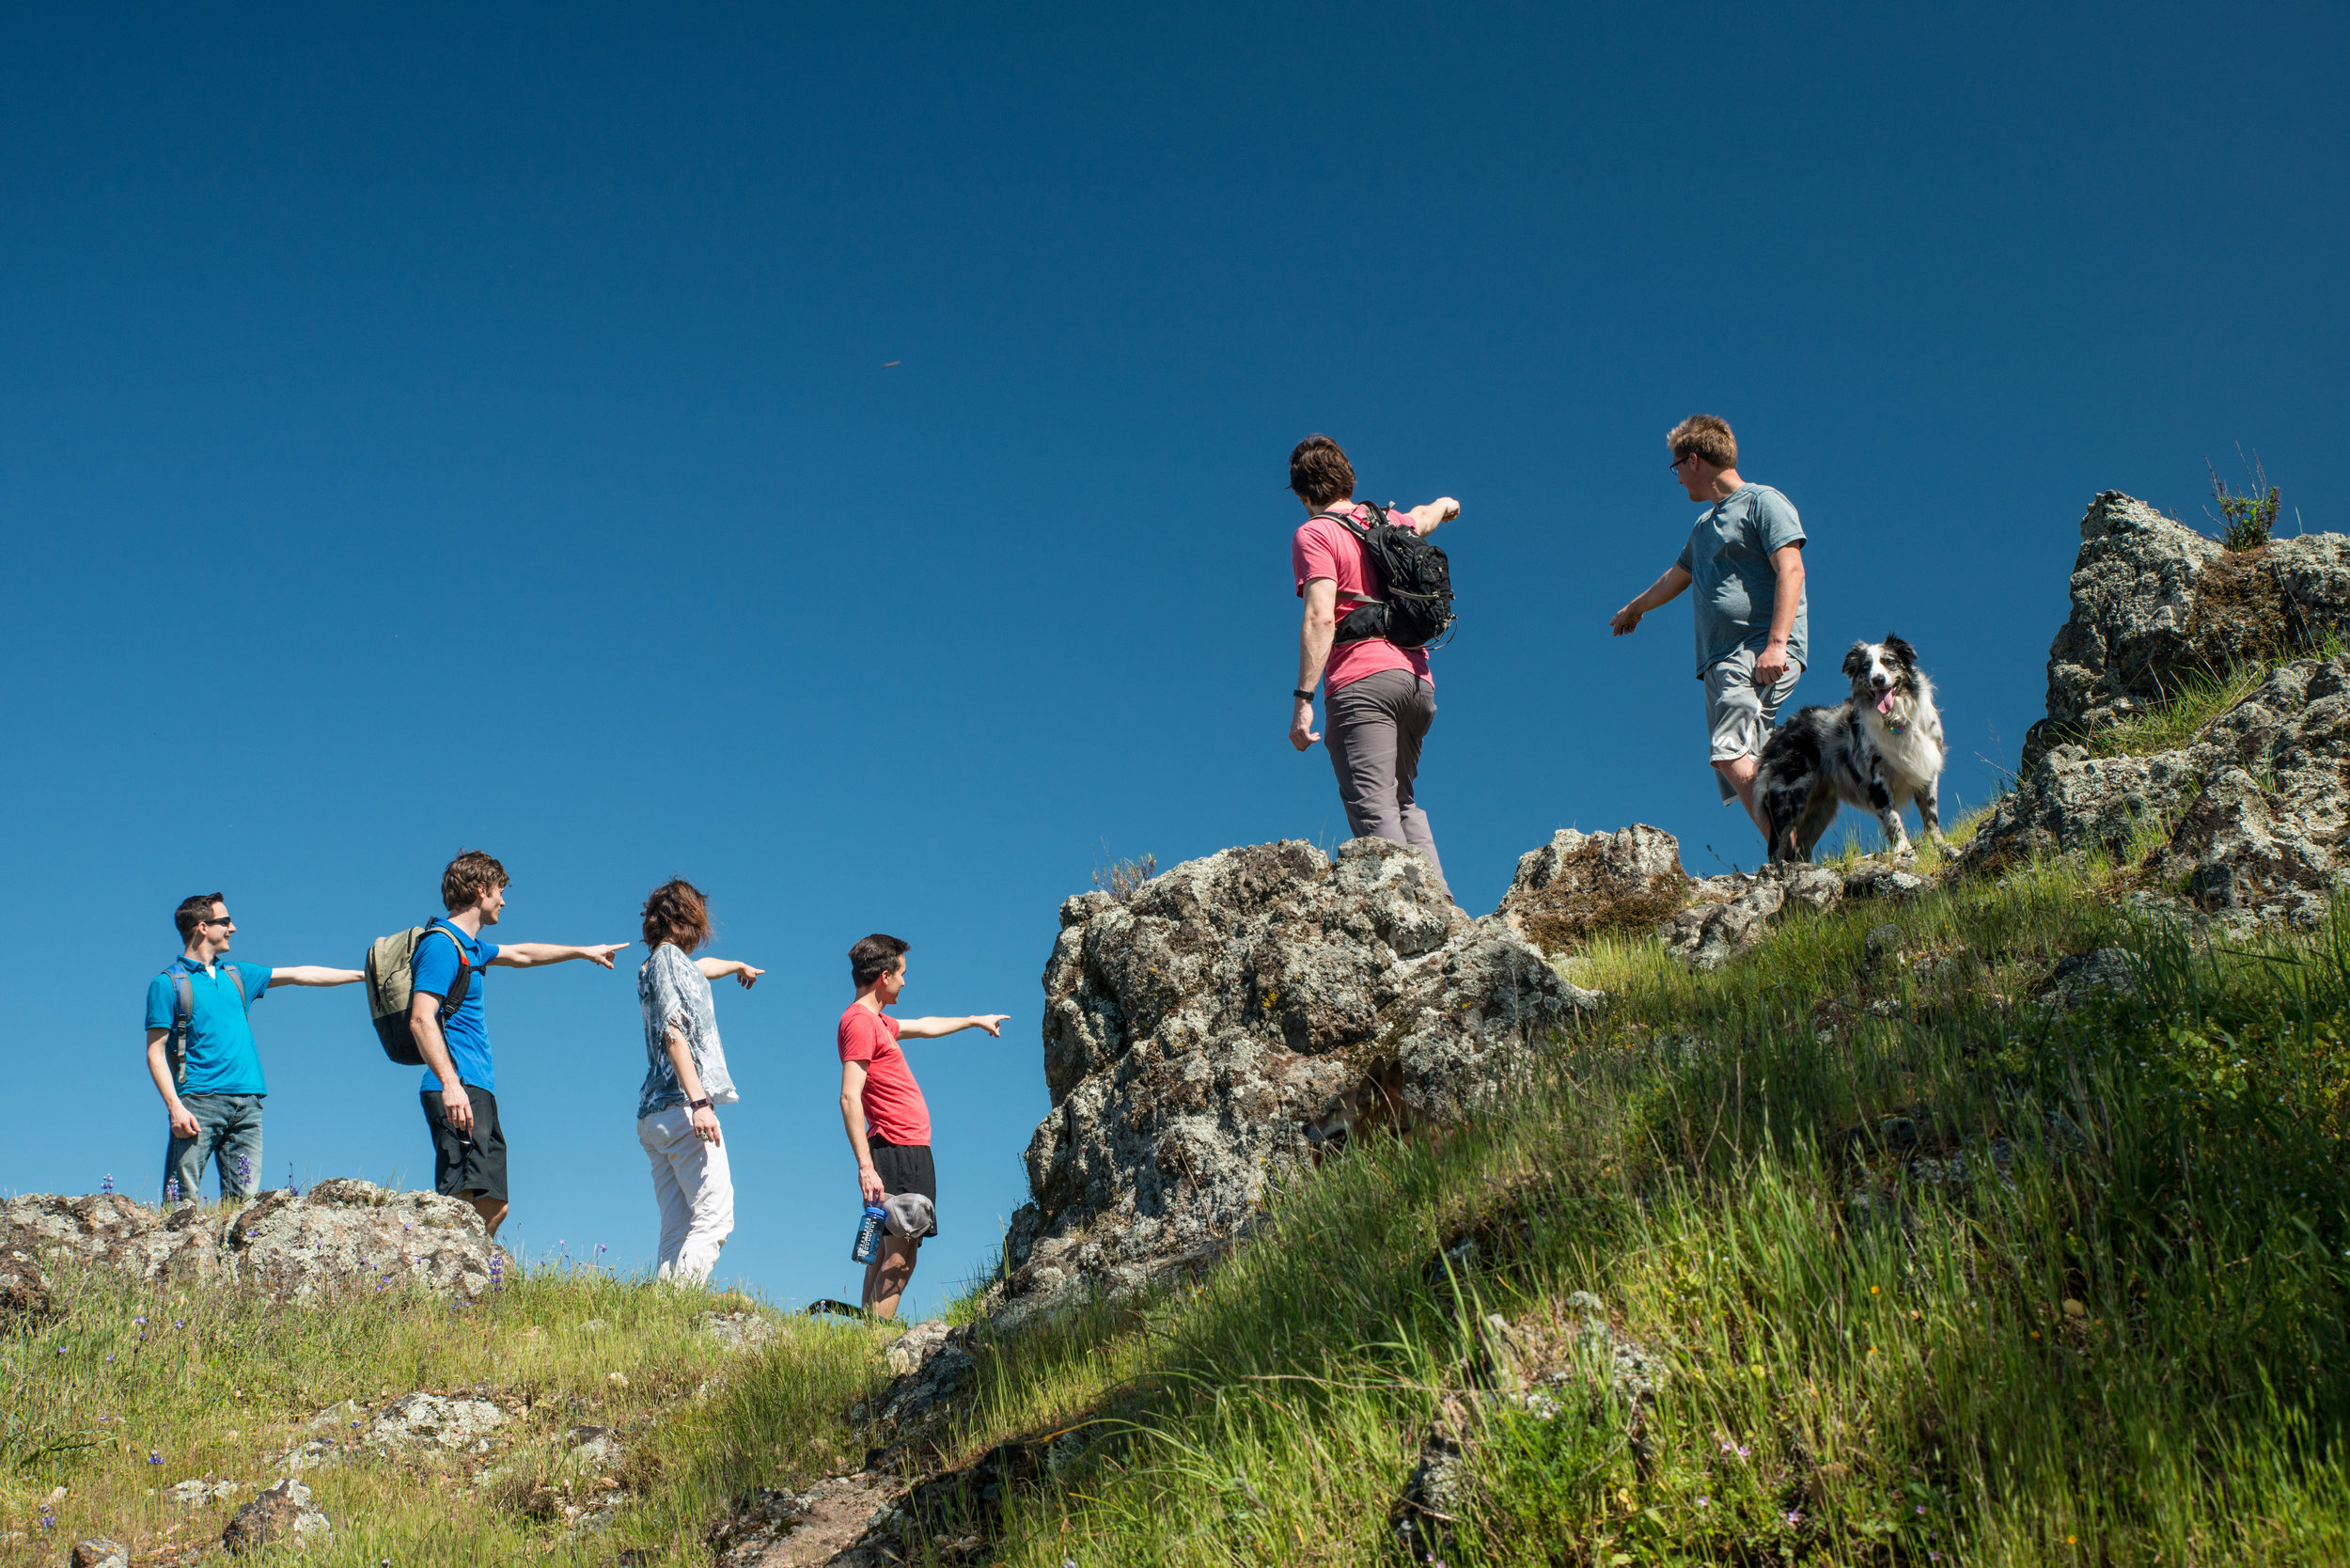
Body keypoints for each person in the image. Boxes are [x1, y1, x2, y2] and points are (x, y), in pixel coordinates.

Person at [407, 850, 628, 1239]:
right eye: (499, 891)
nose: (503, 901)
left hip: (478, 1088)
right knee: (460, 1200)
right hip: (457, 1087)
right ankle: (438, 1284)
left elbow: (524, 953)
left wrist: (582, 952)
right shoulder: (441, 945)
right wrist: (450, 1085)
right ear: (481, 890)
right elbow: (421, 1018)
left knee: (493, 1202)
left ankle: (467, 1280)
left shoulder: (472, 947)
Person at [1609, 414, 1809, 839]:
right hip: (1720, 661)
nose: (1676, 478)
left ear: (1694, 460)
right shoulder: (1703, 528)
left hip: (1757, 652)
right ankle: (1789, 854)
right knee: (1747, 759)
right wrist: (1636, 608)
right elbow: (1676, 577)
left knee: (1728, 749)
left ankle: (1792, 855)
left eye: (1676, 467)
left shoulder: (1763, 502)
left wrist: (1776, 645)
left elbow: (1791, 571)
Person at [1286, 433, 1461, 902]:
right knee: (1403, 801)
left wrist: (1303, 701)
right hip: (1417, 679)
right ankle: (1444, 915)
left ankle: (1411, 923)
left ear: (1304, 496)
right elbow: (1425, 516)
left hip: (1363, 683)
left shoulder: (1316, 533)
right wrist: (1447, 504)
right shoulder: (1384, 522)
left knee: (1374, 808)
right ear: (1350, 479)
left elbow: (1321, 616)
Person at [144, 893, 363, 1206]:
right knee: (181, 1203)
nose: (234, 928)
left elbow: (301, 974)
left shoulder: (237, 975)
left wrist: (363, 976)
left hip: (249, 1102)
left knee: (243, 1209)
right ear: (203, 927)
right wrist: (175, 1107)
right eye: (226, 921)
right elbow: (155, 1052)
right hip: (197, 1102)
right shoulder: (167, 984)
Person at [837, 933, 1008, 1319]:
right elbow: (849, 1097)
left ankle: (864, 1344)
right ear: (884, 975)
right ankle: (877, 1346)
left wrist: (973, 1020)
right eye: (902, 973)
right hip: (898, 1149)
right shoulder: (861, 1023)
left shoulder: (877, 1021)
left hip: (901, 1148)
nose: (905, 981)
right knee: (902, 1256)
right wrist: (865, 1166)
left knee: (885, 1250)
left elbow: (924, 1026)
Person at [634, 878, 763, 1285]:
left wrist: (737, 965)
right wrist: (700, 1104)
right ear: (682, 918)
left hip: (653, 1116)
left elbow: (702, 969)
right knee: (715, 1219)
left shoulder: (656, 964)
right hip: (681, 1107)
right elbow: (674, 1032)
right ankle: (676, 1307)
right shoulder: (670, 959)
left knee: (678, 1225)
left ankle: (659, 1314)